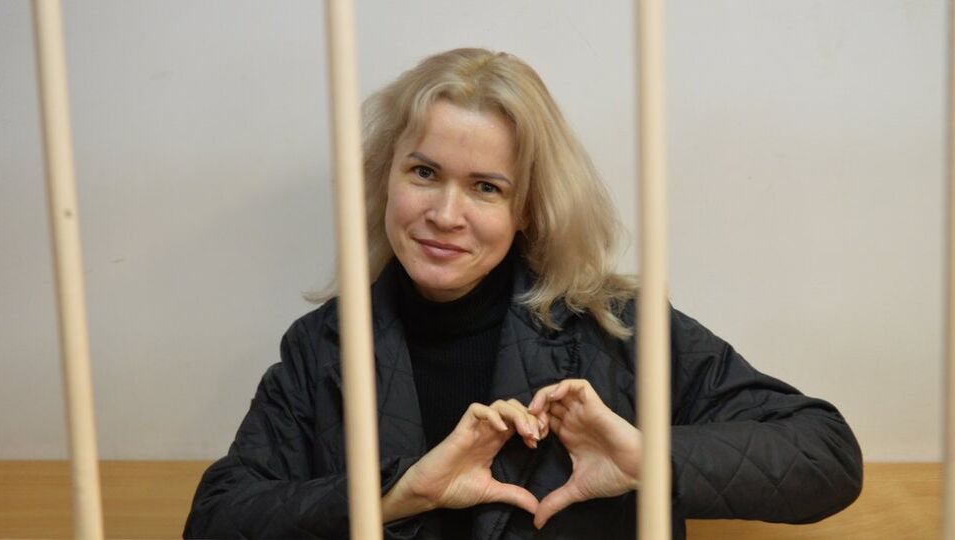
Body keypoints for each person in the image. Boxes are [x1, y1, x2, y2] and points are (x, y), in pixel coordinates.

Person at [183, 48, 862, 539]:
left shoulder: (615, 328)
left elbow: (826, 453)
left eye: (486, 187)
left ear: (527, 209)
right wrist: (396, 494)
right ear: (385, 177)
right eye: (424, 172)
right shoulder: (324, 347)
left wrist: (646, 457)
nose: (445, 214)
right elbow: (217, 518)